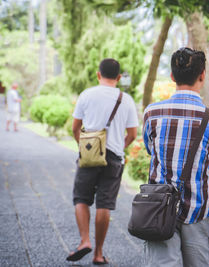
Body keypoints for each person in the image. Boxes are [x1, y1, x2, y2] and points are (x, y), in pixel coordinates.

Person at [142, 47, 209, 267]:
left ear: (172, 76)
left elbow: (151, 150)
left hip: (159, 207)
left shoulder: (152, 114)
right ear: (202, 76)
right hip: (198, 207)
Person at [67, 58, 139, 264]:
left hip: (89, 154)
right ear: (118, 77)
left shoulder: (87, 94)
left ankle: (84, 241)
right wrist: (118, 147)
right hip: (114, 156)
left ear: (98, 75)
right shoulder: (126, 99)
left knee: (81, 198)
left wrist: (85, 147)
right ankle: (98, 254)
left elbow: (75, 127)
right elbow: (133, 134)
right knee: (104, 204)